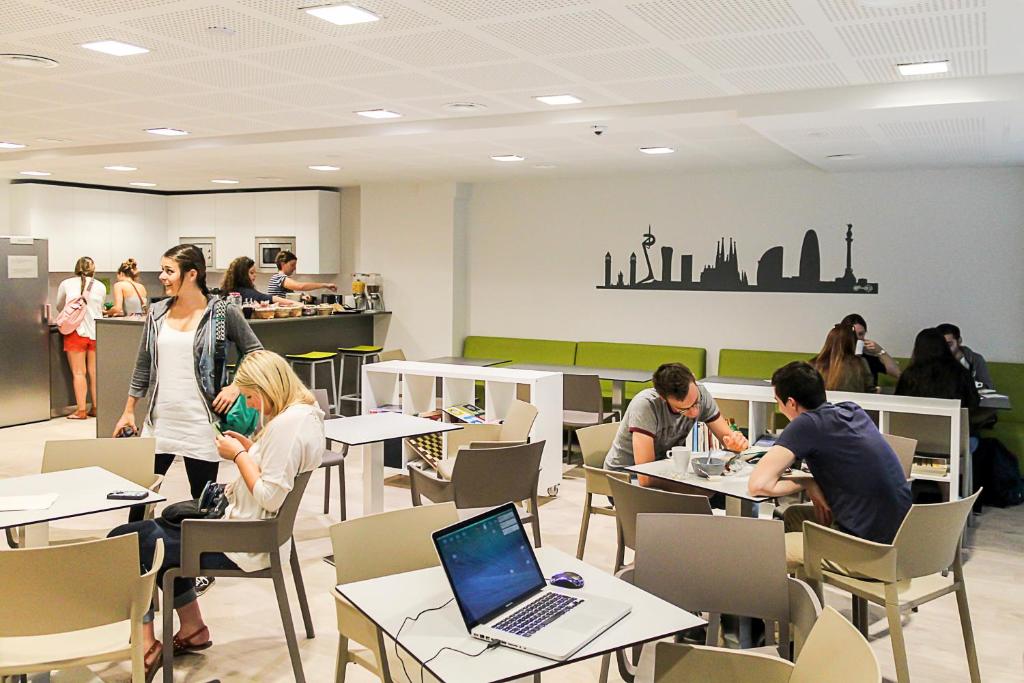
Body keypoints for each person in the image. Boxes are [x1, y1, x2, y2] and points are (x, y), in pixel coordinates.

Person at [108, 350, 325, 678]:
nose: (250, 406)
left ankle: (146, 643)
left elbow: (270, 494)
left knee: (129, 540)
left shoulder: (287, 427)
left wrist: (239, 455)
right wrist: (252, 449)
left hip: (243, 542)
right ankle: (194, 629)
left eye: (251, 397)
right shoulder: (306, 415)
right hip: (256, 534)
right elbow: (277, 471)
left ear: (268, 388)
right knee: (165, 526)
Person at [113, 244, 263, 507]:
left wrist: (237, 386)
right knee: (139, 500)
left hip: (201, 424)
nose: (162, 277)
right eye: (162, 270)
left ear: (192, 274)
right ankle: (137, 546)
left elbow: (255, 352)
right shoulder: (157, 313)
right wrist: (128, 410)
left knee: (202, 502)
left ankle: (199, 548)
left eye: (169, 271)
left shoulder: (221, 312)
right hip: (159, 422)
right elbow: (143, 363)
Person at [748, 362, 911, 561]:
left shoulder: (806, 423)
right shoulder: (853, 411)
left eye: (778, 402)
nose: (780, 409)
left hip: (869, 552)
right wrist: (810, 482)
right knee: (793, 517)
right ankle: (808, 592)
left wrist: (807, 482)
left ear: (791, 403)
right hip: (902, 539)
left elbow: (758, 485)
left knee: (766, 549)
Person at [604, 362, 749, 489]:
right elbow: (645, 478)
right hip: (623, 479)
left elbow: (727, 437)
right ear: (663, 398)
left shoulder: (701, 392)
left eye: (696, 402)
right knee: (695, 499)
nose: (694, 412)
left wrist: (735, 443)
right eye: (684, 409)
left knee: (738, 491)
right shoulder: (645, 406)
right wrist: (691, 485)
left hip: (664, 471)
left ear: (693, 378)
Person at [56, 256, 107, 419]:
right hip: (96, 332)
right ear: (93, 270)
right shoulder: (100, 286)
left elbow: (60, 306)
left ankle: (81, 410)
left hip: (75, 332)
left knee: (79, 373)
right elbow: (100, 307)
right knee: (94, 373)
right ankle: (97, 408)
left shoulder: (66, 283)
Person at [896, 327, 980, 421]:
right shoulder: (960, 372)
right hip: (954, 429)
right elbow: (973, 403)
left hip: (914, 429)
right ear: (944, 346)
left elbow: (899, 403)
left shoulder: (909, 375)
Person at [810, 324, 874, 392]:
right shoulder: (860, 363)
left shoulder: (813, 364)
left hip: (822, 402)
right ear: (852, 342)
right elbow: (869, 390)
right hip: (853, 402)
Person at [839, 313, 900, 384]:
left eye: (861, 334)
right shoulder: (835, 354)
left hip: (869, 394)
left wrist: (880, 351)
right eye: (853, 334)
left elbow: (897, 374)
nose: (858, 338)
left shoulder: (869, 355)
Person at [936, 322, 994, 390]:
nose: (944, 348)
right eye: (940, 344)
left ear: (959, 341)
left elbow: (988, 386)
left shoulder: (976, 360)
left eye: (949, 344)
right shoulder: (934, 360)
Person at [221, 255, 296, 306]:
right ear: (242, 274)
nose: (255, 275)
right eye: (251, 272)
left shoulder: (229, 289)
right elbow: (268, 298)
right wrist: (296, 304)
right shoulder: (244, 292)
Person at [266, 250, 337, 297]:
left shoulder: (277, 277)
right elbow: (300, 286)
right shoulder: (279, 278)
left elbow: (287, 297)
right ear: (283, 264)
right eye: (292, 265)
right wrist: (325, 285)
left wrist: (301, 296)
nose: (294, 268)